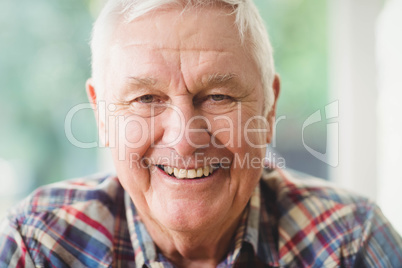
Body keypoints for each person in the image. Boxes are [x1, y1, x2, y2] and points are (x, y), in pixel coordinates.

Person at [1, 0, 401, 267]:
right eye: (145, 98)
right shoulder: (40, 245)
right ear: (102, 116)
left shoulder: (351, 242)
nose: (184, 138)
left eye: (218, 95)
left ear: (269, 107)